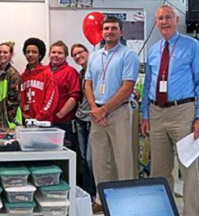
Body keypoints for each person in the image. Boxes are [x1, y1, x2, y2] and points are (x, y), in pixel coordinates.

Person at [141, 5, 199, 215]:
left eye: (168, 17)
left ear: (176, 19)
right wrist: (145, 114)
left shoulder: (192, 46)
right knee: (159, 170)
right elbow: (147, 86)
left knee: (188, 168)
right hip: (156, 113)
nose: (164, 22)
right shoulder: (154, 50)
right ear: (156, 22)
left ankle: (191, 213)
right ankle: (162, 211)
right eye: (160, 18)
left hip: (183, 112)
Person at [84, 16, 139, 212]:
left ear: (121, 32)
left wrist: (104, 110)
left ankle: (127, 198)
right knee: (99, 160)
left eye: (114, 28)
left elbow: (127, 87)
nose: (109, 31)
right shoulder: (94, 56)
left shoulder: (128, 55)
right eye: (106, 28)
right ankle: (101, 199)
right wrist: (94, 108)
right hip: (97, 113)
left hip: (118, 112)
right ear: (102, 31)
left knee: (123, 159)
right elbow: (88, 83)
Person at [71, 43, 96, 199]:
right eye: (74, 54)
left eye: (81, 52)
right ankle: (87, 194)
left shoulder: (96, 71)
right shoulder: (79, 74)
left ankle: (95, 193)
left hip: (94, 119)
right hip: (81, 119)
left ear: (88, 52)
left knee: (91, 158)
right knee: (83, 160)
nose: (78, 56)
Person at [47, 40, 81, 148]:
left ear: (65, 56)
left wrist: (59, 115)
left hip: (63, 122)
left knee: (64, 156)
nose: (56, 55)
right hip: (46, 123)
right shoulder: (44, 71)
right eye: (53, 52)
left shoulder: (71, 72)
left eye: (60, 53)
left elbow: (74, 97)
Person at [20, 37, 58, 123]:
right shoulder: (22, 77)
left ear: (40, 55)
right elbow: (19, 99)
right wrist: (23, 115)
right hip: (27, 122)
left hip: (43, 123)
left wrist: (38, 118)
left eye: (34, 52)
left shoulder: (48, 74)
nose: (30, 55)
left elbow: (51, 100)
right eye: (28, 52)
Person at [0, 41, 21, 128]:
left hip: (6, 119)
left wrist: (9, 118)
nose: (2, 54)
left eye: (5, 52)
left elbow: (14, 100)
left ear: (11, 55)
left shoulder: (13, 74)